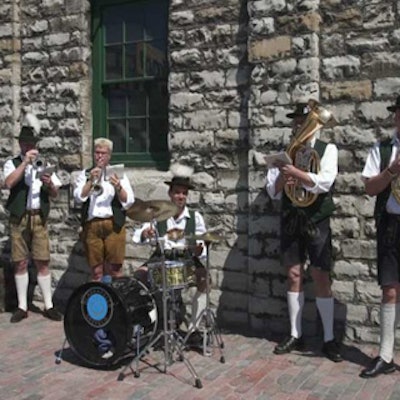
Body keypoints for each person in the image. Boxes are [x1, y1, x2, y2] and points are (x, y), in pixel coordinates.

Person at [266, 101, 342, 362]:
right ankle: (295, 333)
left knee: (321, 274)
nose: (300, 125)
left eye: (304, 120)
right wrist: (282, 177)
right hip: (291, 217)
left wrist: (297, 173)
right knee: (294, 274)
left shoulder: (327, 149)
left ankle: (329, 339)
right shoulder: (284, 153)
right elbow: (272, 192)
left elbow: (325, 182)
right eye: (297, 121)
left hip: (316, 217)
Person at [132, 164, 208, 343]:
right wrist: (146, 234)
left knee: (204, 279)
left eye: (184, 193)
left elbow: (202, 244)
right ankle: (150, 321)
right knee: (138, 277)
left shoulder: (195, 217)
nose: (180, 196)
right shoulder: (158, 214)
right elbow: (138, 236)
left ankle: (194, 329)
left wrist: (200, 249)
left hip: (187, 260)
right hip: (161, 258)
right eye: (177, 192)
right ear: (170, 194)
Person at [4, 113, 62, 323]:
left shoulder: (43, 163)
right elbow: (9, 183)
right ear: (20, 145)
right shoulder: (12, 163)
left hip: (39, 217)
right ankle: (22, 306)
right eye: (26, 144)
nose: (29, 147)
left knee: (42, 260)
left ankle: (48, 305)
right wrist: (24, 164)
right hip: (19, 217)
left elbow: (55, 193)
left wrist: (48, 182)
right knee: (20, 262)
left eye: (32, 144)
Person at [359, 95, 400, 378]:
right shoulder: (382, 149)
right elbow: (370, 188)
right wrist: (392, 170)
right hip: (391, 225)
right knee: (390, 290)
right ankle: (386, 355)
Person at [73, 137, 134, 282]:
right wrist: (90, 181)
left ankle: (115, 301)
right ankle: (99, 303)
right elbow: (78, 197)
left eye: (103, 153)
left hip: (113, 224)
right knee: (96, 271)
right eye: (97, 152)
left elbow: (129, 200)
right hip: (92, 225)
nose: (99, 156)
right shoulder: (86, 173)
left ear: (109, 156)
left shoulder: (117, 173)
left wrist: (118, 187)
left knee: (115, 269)